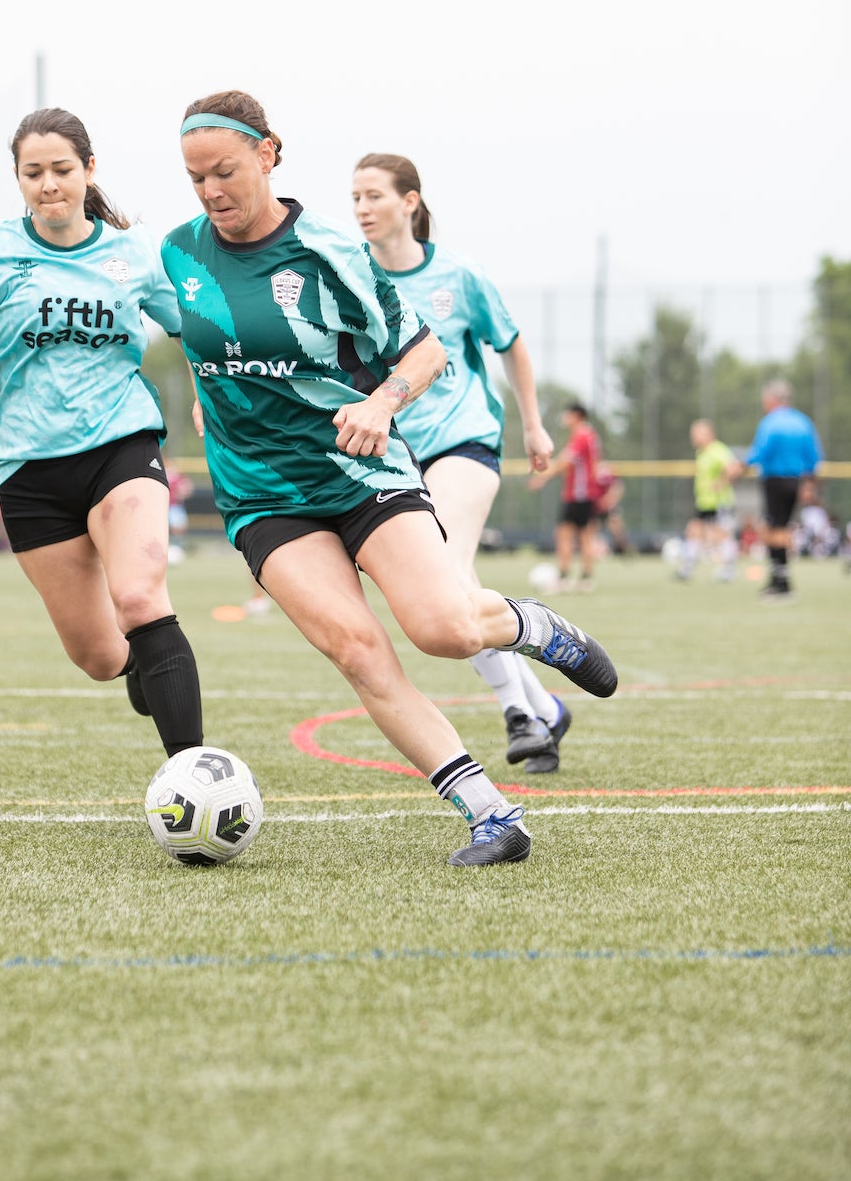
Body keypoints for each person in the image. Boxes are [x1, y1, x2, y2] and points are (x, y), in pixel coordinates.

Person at [164, 91, 617, 869]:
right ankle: (492, 817)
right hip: (264, 497)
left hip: (361, 472)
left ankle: (537, 627)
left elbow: (426, 352)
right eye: (195, 177)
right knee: (358, 650)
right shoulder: (180, 253)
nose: (211, 192)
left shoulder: (331, 253)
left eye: (225, 171)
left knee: (443, 628)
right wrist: (211, 402)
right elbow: (198, 339)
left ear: (270, 152)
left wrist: (383, 400)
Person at [0, 108, 205, 759]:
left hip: (121, 443)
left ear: (89, 170)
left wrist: (209, 396)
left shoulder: (134, 254)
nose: (48, 184)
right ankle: (138, 666)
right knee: (98, 654)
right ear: (17, 180)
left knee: (140, 593)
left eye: (61, 170)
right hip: (29, 470)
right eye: (32, 172)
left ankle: (194, 777)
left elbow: (194, 333)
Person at [351, 152, 572, 775]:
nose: (363, 209)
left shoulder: (460, 275)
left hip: (466, 440)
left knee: (446, 575)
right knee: (450, 589)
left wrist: (532, 422)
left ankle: (520, 715)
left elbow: (512, 345)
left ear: (409, 202)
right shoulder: (354, 276)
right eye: (356, 198)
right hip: (399, 456)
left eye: (374, 196)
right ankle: (544, 706)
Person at [726, 381, 823, 596]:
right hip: (795, 481)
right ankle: (779, 580)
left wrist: (738, 468)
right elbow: (814, 458)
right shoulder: (803, 422)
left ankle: (781, 583)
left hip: (775, 481)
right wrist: (810, 485)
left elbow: (759, 452)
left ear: (772, 399)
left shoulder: (771, 423)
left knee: (774, 530)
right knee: (780, 527)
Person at [529, 402, 603, 589]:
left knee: (565, 534)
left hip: (579, 494)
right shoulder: (589, 435)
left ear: (576, 415)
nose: (564, 417)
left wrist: (542, 478)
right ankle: (585, 578)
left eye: (567, 414)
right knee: (584, 535)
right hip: (586, 493)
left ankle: (564, 576)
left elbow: (565, 462)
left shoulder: (582, 435)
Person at [676, 420, 737, 581]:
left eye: (695, 434)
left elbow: (733, 469)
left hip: (719, 502)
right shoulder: (701, 452)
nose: (693, 438)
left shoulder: (717, 450)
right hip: (705, 502)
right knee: (694, 530)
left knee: (721, 535)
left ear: (707, 434)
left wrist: (720, 484)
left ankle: (728, 569)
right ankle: (687, 569)